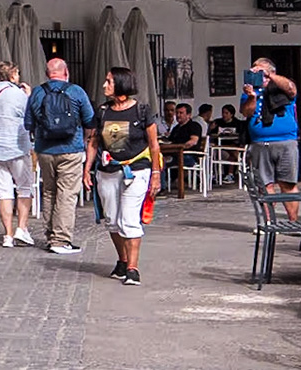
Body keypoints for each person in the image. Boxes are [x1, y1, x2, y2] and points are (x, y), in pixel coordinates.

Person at [94, 66, 160, 284]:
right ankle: (122, 260)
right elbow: (94, 142)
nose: (105, 85)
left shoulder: (141, 111)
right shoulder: (103, 111)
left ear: (121, 84)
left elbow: (153, 144)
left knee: (128, 218)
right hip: (108, 171)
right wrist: (87, 170)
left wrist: (156, 174)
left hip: (137, 170)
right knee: (112, 220)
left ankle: (133, 268)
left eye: (109, 81)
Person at [26, 55, 97, 255]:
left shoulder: (38, 92)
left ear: (48, 75)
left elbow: (27, 124)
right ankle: (61, 240)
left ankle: (50, 236)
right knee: (66, 195)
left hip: (44, 151)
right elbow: (90, 120)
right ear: (66, 73)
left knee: (49, 192)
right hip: (71, 149)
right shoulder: (76, 91)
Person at [0, 61, 36, 247]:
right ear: (12, 76)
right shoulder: (18, 94)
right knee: (24, 188)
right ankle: (21, 228)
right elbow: (29, 115)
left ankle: (7, 235)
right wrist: (28, 96)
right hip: (16, 146)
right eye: (17, 73)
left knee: (3, 192)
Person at [241, 55, 301, 219]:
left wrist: (270, 76)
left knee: (287, 184)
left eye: (260, 72)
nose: (258, 75)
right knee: (264, 185)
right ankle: (269, 223)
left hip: (286, 142)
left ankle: (293, 221)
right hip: (260, 143)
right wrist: (252, 97)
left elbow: (291, 89)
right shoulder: (250, 90)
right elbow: (246, 112)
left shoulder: (281, 87)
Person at [169, 102, 204, 186]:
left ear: (188, 115)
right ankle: (163, 185)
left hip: (190, 155)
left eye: (181, 113)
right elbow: (170, 141)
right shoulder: (176, 128)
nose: (178, 115)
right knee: (160, 160)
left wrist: (181, 147)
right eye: (177, 113)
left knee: (182, 159)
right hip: (175, 154)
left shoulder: (194, 126)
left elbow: (193, 141)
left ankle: (178, 181)